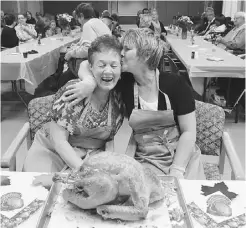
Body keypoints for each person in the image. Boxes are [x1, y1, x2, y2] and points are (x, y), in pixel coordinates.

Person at [61, 28, 205, 180]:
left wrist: (177, 169)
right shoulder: (124, 83)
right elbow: (87, 63)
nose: (121, 53)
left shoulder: (175, 84)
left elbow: (189, 132)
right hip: (146, 158)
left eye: (127, 49)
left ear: (146, 55)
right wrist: (89, 83)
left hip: (181, 155)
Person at [23, 35, 124, 172]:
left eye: (113, 65)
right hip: (53, 151)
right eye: (101, 65)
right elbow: (59, 142)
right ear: (91, 67)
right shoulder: (75, 90)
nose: (108, 71)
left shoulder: (119, 96)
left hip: (91, 154)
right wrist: (83, 171)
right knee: (43, 187)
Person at [57, 3, 111, 89]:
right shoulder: (98, 22)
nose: (78, 21)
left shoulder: (87, 25)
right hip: (106, 60)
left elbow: (87, 50)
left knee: (64, 65)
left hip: (97, 64)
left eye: (78, 18)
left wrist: (71, 53)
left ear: (81, 16)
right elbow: (90, 42)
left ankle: (59, 89)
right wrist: (77, 45)